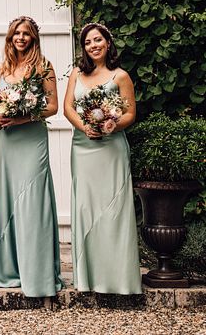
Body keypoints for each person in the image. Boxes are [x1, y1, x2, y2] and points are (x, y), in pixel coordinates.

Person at [63, 22, 141, 294]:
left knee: (114, 210)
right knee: (86, 207)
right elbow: (68, 108)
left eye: (97, 40)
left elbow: (130, 114)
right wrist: (85, 127)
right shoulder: (76, 74)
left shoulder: (120, 76)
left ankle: (118, 279)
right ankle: (87, 279)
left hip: (111, 148)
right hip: (83, 148)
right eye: (88, 42)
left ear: (108, 43)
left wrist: (110, 125)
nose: (93, 45)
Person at [0, 15, 62, 297]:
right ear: (10, 38)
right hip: (8, 140)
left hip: (31, 138)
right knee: (8, 198)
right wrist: (1, 114)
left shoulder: (43, 67)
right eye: (16, 33)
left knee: (33, 199)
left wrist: (21, 117)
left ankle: (38, 270)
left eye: (26, 34)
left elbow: (53, 106)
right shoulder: (0, 69)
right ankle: (10, 270)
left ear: (33, 38)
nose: (20, 38)